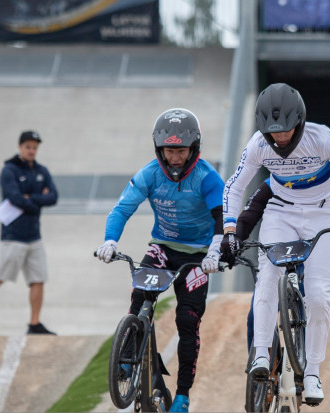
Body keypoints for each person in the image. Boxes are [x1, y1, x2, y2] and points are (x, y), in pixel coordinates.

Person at [220, 83, 330, 405]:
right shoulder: (256, 146)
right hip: (281, 213)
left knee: (318, 295)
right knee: (267, 278)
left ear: (301, 122)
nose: (279, 138)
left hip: (324, 213)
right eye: (272, 132)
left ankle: (313, 373)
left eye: (286, 131)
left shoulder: (322, 138)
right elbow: (235, 187)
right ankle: (261, 355)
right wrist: (230, 230)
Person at [96, 108, 224, 413]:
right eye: (170, 150)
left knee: (187, 321)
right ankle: (127, 359)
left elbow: (223, 216)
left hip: (198, 257)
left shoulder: (207, 177)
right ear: (159, 149)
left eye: (181, 150)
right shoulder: (149, 174)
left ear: (194, 149)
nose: (175, 158)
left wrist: (216, 249)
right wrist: (110, 240)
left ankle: (182, 395)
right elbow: (121, 209)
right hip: (163, 249)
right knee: (139, 292)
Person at [0, 131, 58, 335]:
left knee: (38, 278)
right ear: (21, 147)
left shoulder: (41, 170)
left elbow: (53, 197)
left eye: (35, 147)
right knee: (0, 276)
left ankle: (34, 323)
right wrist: (37, 200)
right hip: (13, 236)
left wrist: (30, 198)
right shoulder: (9, 170)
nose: (32, 150)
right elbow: (14, 197)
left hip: (34, 236)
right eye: (28, 146)